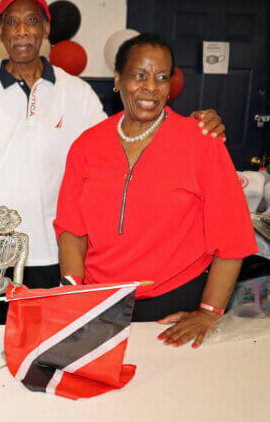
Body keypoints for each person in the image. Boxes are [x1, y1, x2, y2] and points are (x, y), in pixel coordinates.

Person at [0, 0, 225, 290]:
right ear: (0, 31)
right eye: (12, 22)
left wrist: (186, 127)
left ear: (46, 28)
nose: (23, 30)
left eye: (32, 20)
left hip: (56, 248)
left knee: (49, 334)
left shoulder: (77, 92)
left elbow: (122, 145)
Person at [54, 33, 257, 348]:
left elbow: (233, 234)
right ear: (118, 80)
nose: (151, 87)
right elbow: (71, 229)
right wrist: (72, 293)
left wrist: (209, 311)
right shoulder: (87, 145)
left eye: (161, 77)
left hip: (175, 305)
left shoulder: (201, 141)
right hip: (100, 302)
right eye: (139, 76)